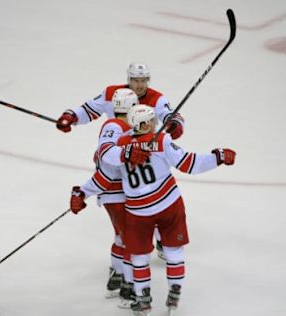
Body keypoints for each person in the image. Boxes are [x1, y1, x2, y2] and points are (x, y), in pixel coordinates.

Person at [70, 105, 236, 315]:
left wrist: (82, 193)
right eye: (152, 121)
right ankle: (174, 295)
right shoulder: (161, 141)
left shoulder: (119, 147)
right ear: (146, 123)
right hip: (169, 204)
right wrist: (217, 157)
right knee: (174, 251)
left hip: (139, 212)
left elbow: (104, 175)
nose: (156, 124)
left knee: (139, 257)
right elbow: (189, 164)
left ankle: (143, 300)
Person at [70, 88, 146, 302]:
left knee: (123, 236)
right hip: (115, 194)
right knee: (131, 240)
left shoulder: (127, 127)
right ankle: (128, 289)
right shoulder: (115, 126)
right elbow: (106, 159)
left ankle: (116, 275)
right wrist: (83, 192)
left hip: (121, 192)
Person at [56, 62, 185, 141]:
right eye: (136, 80)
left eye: (143, 80)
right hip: (113, 149)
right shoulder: (111, 93)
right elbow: (88, 110)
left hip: (141, 153)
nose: (140, 85)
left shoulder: (156, 98)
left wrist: (175, 124)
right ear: (129, 79)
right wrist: (71, 116)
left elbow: (170, 115)